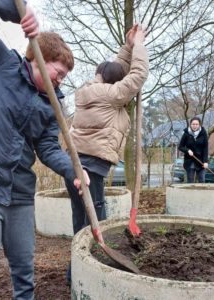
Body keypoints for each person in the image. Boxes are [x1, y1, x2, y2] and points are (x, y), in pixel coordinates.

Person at [0, 1, 88, 299]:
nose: (60, 79)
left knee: (24, 270)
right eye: (59, 70)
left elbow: (48, 148)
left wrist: (73, 170)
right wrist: (18, 13)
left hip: (20, 193)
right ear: (39, 57)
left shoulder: (51, 106)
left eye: (65, 76)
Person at [64, 24, 149, 284]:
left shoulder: (91, 90)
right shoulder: (113, 96)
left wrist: (128, 47)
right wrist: (141, 44)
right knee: (95, 222)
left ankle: (75, 273)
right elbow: (137, 74)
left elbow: (116, 70)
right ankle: (89, 274)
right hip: (90, 168)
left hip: (77, 164)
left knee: (83, 220)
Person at [178, 117, 209, 183]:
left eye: (196, 124)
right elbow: (180, 147)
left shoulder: (203, 133)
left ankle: (201, 193)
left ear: (199, 125)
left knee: (202, 180)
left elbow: (205, 148)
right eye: (193, 124)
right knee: (190, 181)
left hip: (200, 161)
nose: (195, 126)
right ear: (190, 124)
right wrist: (187, 150)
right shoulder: (186, 133)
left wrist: (206, 161)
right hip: (190, 161)